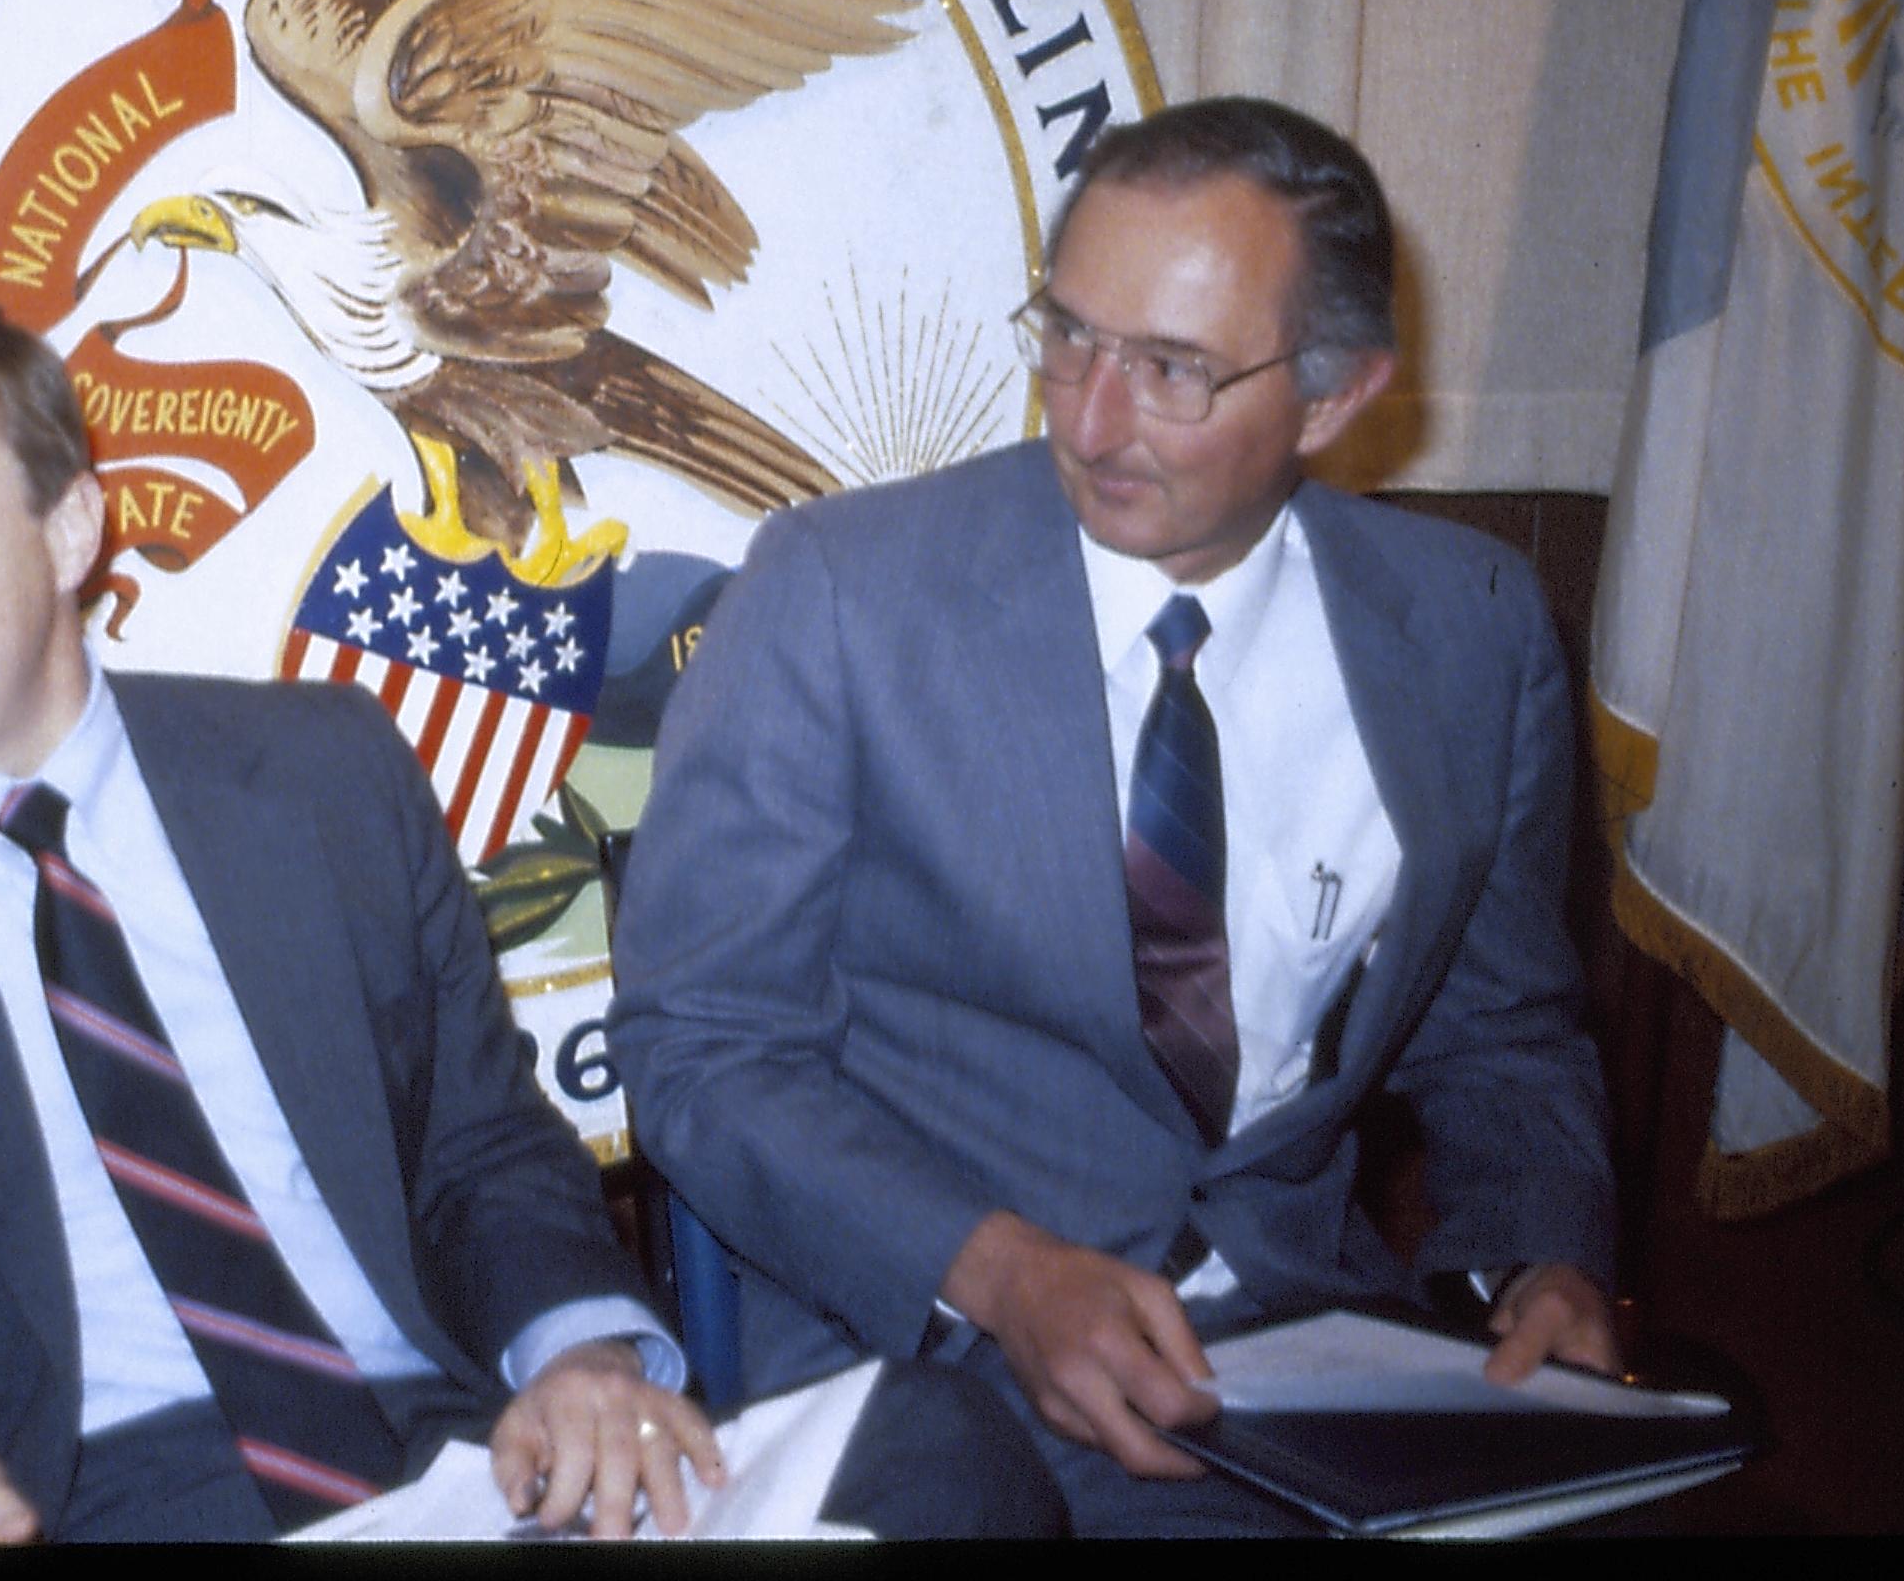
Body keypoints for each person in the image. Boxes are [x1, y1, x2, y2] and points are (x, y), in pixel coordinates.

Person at [0, 291, 1054, 1543]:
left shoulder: (321, 774)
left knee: (941, 1452)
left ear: (70, 529)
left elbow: (482, 1157)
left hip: (465, 1467)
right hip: (88, 1506)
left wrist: (586, 1351)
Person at [605, 97, 1619, 1535]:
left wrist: (1541, 1264)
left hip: (1311, 1334)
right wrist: (1005, 1270)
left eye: (1173, 371)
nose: (1089, 417)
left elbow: (1501, 1030)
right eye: (1069, 334)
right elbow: (700, 1045)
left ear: (1332, 399)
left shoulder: (1476, 629)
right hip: (930, 1354)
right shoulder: (841, 593)